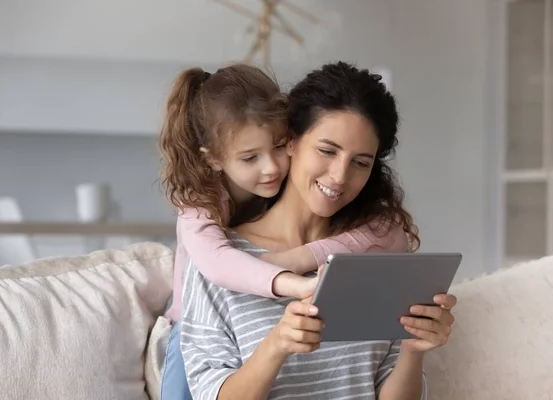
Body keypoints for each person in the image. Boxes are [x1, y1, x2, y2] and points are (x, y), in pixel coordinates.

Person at [180, 62, 456, 399]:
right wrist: (276, 346)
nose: (340, 176)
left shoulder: (378, 258)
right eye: (327, 151)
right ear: (289, 141)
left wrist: (414, 351)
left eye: (361, 162)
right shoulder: (222, 261)